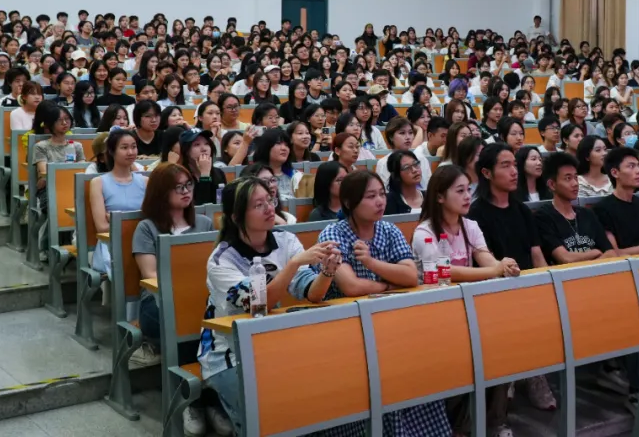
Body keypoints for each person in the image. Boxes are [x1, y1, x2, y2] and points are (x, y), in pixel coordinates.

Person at [308, 171, 452, 436]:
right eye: (370, 196)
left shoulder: (389, 230)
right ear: (349, 203)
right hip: (348, 330)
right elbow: (351, 287)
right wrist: (388, 285)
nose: (380, 202)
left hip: (392, 325)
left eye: (382, 194)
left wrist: (371, 263)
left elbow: (410, 276)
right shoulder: (333, 234)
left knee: (422, 366)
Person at [199, 177, 340, 437]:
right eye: (258, 205)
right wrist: (293, 264)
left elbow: (312, 294)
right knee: (265, 415)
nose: (269, 209)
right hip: (228, 355)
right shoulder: (221, 260)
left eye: (270, 200)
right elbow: (258, 304)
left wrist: (327, 272)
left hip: (274, 343)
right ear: (236, 217)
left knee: (318, 393)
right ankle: (214, 399)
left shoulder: (285, 240)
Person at [411, 165, 521, 437]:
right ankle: (459, 427)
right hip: (435, 317)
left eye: (468, 190)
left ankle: (496, 423)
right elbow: (443, 272)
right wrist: (494, 270)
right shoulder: (424, 232)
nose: (467, 196)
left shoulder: (469, 226)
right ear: (439, 197)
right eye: (459, 191)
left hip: (470, 311)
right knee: (461, 366)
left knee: (500, 354)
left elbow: (484, 257)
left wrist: (503, 266)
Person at [467, 144, 556, 411]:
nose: (514, 171)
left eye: (514, 165)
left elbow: (536, 254)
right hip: (494, 290)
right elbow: (484, 261)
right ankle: (508, 376)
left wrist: (545, 286)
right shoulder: (476, 214)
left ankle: (535, 374)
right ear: (486, 173)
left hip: (527, 285)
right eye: (505, 166)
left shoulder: (521, 210)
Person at [131, 163, 213, 367]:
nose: (186, 191)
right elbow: (150, 274)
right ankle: (186, 376)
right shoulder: (146, 228)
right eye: (178, 187)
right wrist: (184, 294)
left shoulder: (204, 224)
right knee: (187, 318)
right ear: (161, 192)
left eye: (188, 185)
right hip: (158, 300)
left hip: (199, 296)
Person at [535, 152, 615, 265]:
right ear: (552, 184)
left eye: (576, 177)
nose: (575, 183)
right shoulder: (543, 217)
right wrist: (595, 252)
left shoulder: (587, 214)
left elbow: (611, 253)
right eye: (568, 178)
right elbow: (565, 258)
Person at [88, 131, 147, 276]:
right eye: (124, 147)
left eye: (133, 147)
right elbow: (102, 227)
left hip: (143, 241)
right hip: (112, 243)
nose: (131, 152)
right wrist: (136, 221)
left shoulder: (145, 181)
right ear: (112, 151)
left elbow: (152, 220)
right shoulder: (98, 183)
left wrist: (117, 220)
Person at [32, 103, 86, 194]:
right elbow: (45, 173)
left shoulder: (77, 146)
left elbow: (82, 169)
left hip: (73, 186)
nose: (64, 123)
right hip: (50, 188)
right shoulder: (41, 147)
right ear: (50, 123)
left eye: (67, 119)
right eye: (59, 120)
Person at [179, 128, 228, 206]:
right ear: (186, 151)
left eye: (207, 144)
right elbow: (200, 206)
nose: (204, 149)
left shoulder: (219, 173)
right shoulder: (180, 176)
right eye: (197, 144)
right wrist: (205, 174)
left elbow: (221, 202)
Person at [383, 150, 424, 215]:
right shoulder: (388, 202)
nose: (414, 170)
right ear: (397, 175)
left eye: (416, 164)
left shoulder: (430, 197)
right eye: (407, 168)